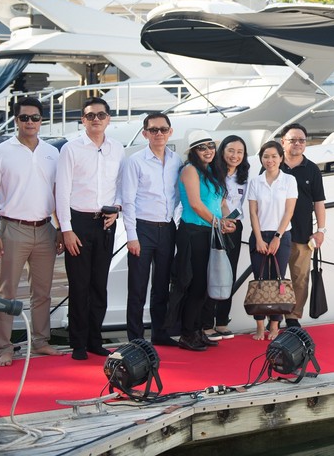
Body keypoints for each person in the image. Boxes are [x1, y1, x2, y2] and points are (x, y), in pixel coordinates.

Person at [0, 97, 63, 367]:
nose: (30, 122)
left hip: (45, 229)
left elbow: (56, 193)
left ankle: (40, 341)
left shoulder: (52, 153)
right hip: (12, 229)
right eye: (24, 117)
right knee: (6, 292)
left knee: (42, 291)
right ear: (16, 120)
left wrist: (60, 228)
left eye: (35, 118)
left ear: (41, 121)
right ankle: (3, 347)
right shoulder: (0, 152)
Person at [55, 97, 124, 360]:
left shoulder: (117, 148)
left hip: (105, 222)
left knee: (99, 284)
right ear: (83, 120)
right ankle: (78, 343)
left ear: (108, 119)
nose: (96, 119)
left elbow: (120, 184)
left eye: (101, 115)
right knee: (79, 285)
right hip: (78, 223)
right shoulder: (71, 149)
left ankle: (95, 339)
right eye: (91, 115)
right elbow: (62, 191)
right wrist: (66, 229)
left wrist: (116, 209)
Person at [121, 112, 182, 346]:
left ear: (170, 132)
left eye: (163, 129)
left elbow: (178, 196)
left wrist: (175, 221)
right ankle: (136, 338)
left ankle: (160, 333)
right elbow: (128, 200)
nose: (159, 134)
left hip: (167, 228)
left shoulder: (176, 160)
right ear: (145, 133)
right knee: (137, 286)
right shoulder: (135, 161)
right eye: (153, 130)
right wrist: (132, 236)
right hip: (142, 228)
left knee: (162, 285)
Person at [169, 130, 229, 351]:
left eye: (211, 146)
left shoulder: (213, 171)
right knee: (196, 284)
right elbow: (195, 204)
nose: (208, 151)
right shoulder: (189, 170)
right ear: (193, 151)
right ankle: (187, 333)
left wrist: (227, 220)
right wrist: (218, 222)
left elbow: (221, 203)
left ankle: (197, 330)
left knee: (206, 284)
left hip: (210, 231)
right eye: (202, 147)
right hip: (193, 232)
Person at [248, 140, 298, 341]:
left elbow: (289, 212)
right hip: (259, 235)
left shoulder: (289, 181)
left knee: (279, 281)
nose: (270, 160)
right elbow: (253, 213)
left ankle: (275, 326)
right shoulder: (255, 182)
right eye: (266, 156)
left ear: (281, 158)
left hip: (282, 235)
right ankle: (260, 326)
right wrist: (259, 239)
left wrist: (277, 237)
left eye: (274, 156)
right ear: (261, 158)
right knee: (259, 280)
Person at [201, 135, 250, 341]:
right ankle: (205, 323)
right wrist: (221, 221)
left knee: (229, 273)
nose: (235, 155)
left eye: (240, 152)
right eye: (231, 150)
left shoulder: (244, 175)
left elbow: (244, 203)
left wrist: (231, 222)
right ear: (222, 151)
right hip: (213, 225)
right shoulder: (212, 172)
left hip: (234, 227)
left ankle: (222, 321)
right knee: (211, 273)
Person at [278, 123, 326, 330]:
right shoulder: (273, 164)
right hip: (276, 233)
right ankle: (274, 317)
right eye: (292, 140)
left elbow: (319, 202)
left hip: (303, 233)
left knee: (300, 278)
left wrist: (321, 231)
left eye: (301, 140)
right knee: (276, 278)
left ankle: (293, 318)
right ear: (283, 142)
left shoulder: (312, 169)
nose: (297, 143)